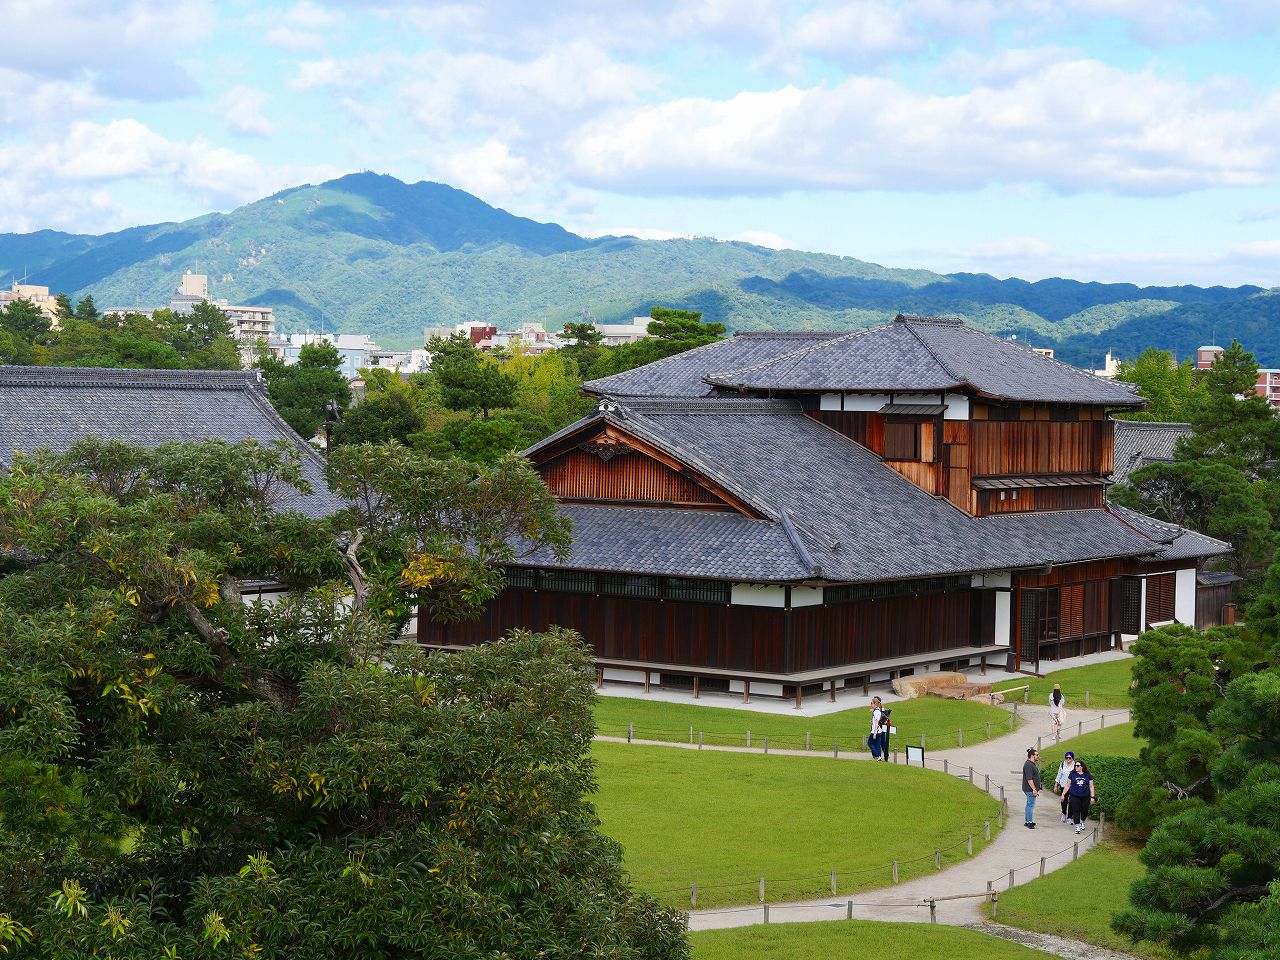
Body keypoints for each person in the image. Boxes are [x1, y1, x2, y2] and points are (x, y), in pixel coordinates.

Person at [1065, 758, 1096, 834]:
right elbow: (1068, 785)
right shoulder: (1072, 774)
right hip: (1074, 795)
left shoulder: (1088, 775)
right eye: (1075, 765)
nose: (1076, 767)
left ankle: (1082, 821)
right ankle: (1077, 826)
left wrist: (1092, 797)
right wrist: (1063, 794)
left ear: (1082, 767)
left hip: (1085, 796)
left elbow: (1091, 786)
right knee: (1076, 810)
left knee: (1085, 810)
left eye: (1078, 765)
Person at [1053, 750, 1075, 823]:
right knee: (1064, 801)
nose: (1068, 759)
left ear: (1072, 758)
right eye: (1066, 758)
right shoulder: (1062, 764)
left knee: (1071, 801)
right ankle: (1064, 813)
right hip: (1063, 786)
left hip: (1072, 786)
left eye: (1070, 758)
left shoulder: (1075, 765)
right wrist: (1056, 785)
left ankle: (1070, 817)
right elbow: (1059, 775)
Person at [1022, 747, 1042, 828]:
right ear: (1032, 756)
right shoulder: (1028, 765)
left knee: (1029, 804)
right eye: (1037, 755)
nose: (1038, 756)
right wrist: (1034, 789)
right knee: (1030, 805)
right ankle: (1029, 822)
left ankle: (1027, 821)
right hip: (1029, 789)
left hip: (1030, 789)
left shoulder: (1031, 764)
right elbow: (1029, 779)